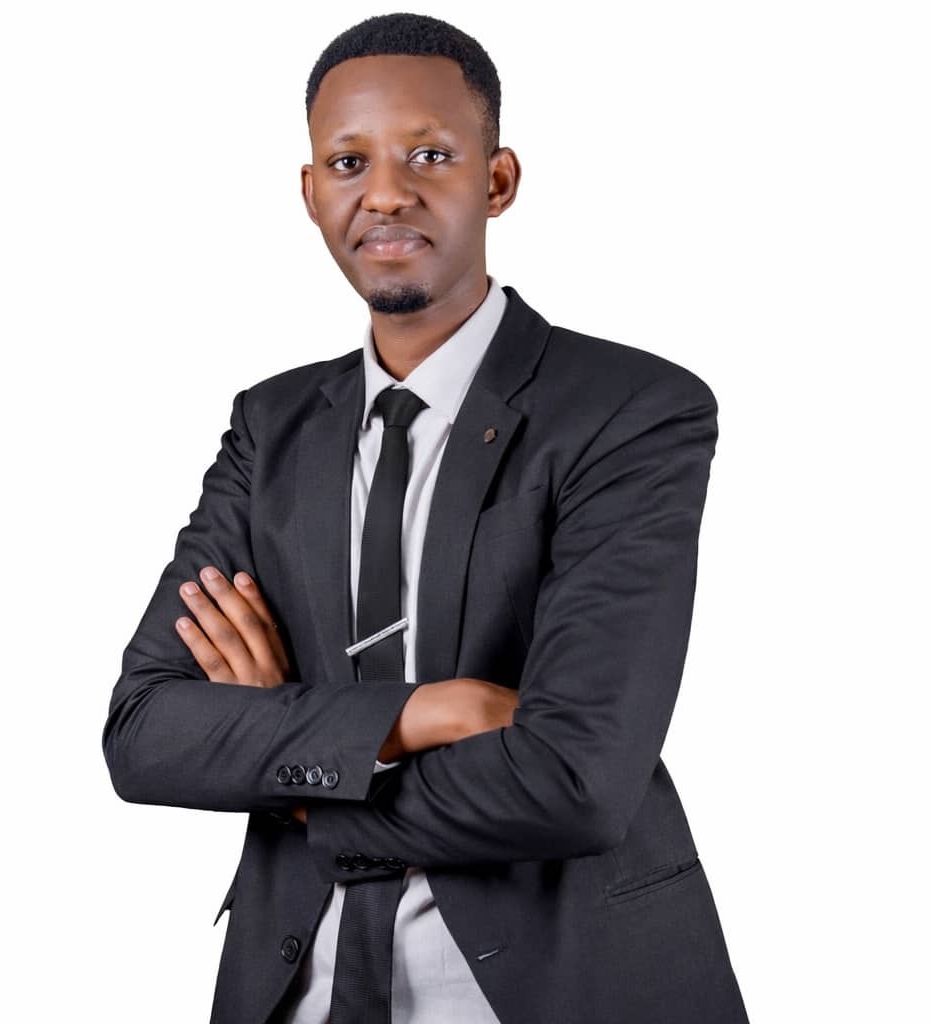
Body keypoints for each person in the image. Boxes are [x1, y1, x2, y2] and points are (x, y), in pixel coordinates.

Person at [102, 12, 749, 1024]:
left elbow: (575, 779)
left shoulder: (630, 410)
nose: (386, 192)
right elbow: (146, 732)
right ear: (310, 193)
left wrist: (295, 764)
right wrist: (431, 713)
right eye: (348, 162)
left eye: (430, 154)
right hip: (294, 985)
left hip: (559, 982)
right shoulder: (270, 426)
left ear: (497, 180)